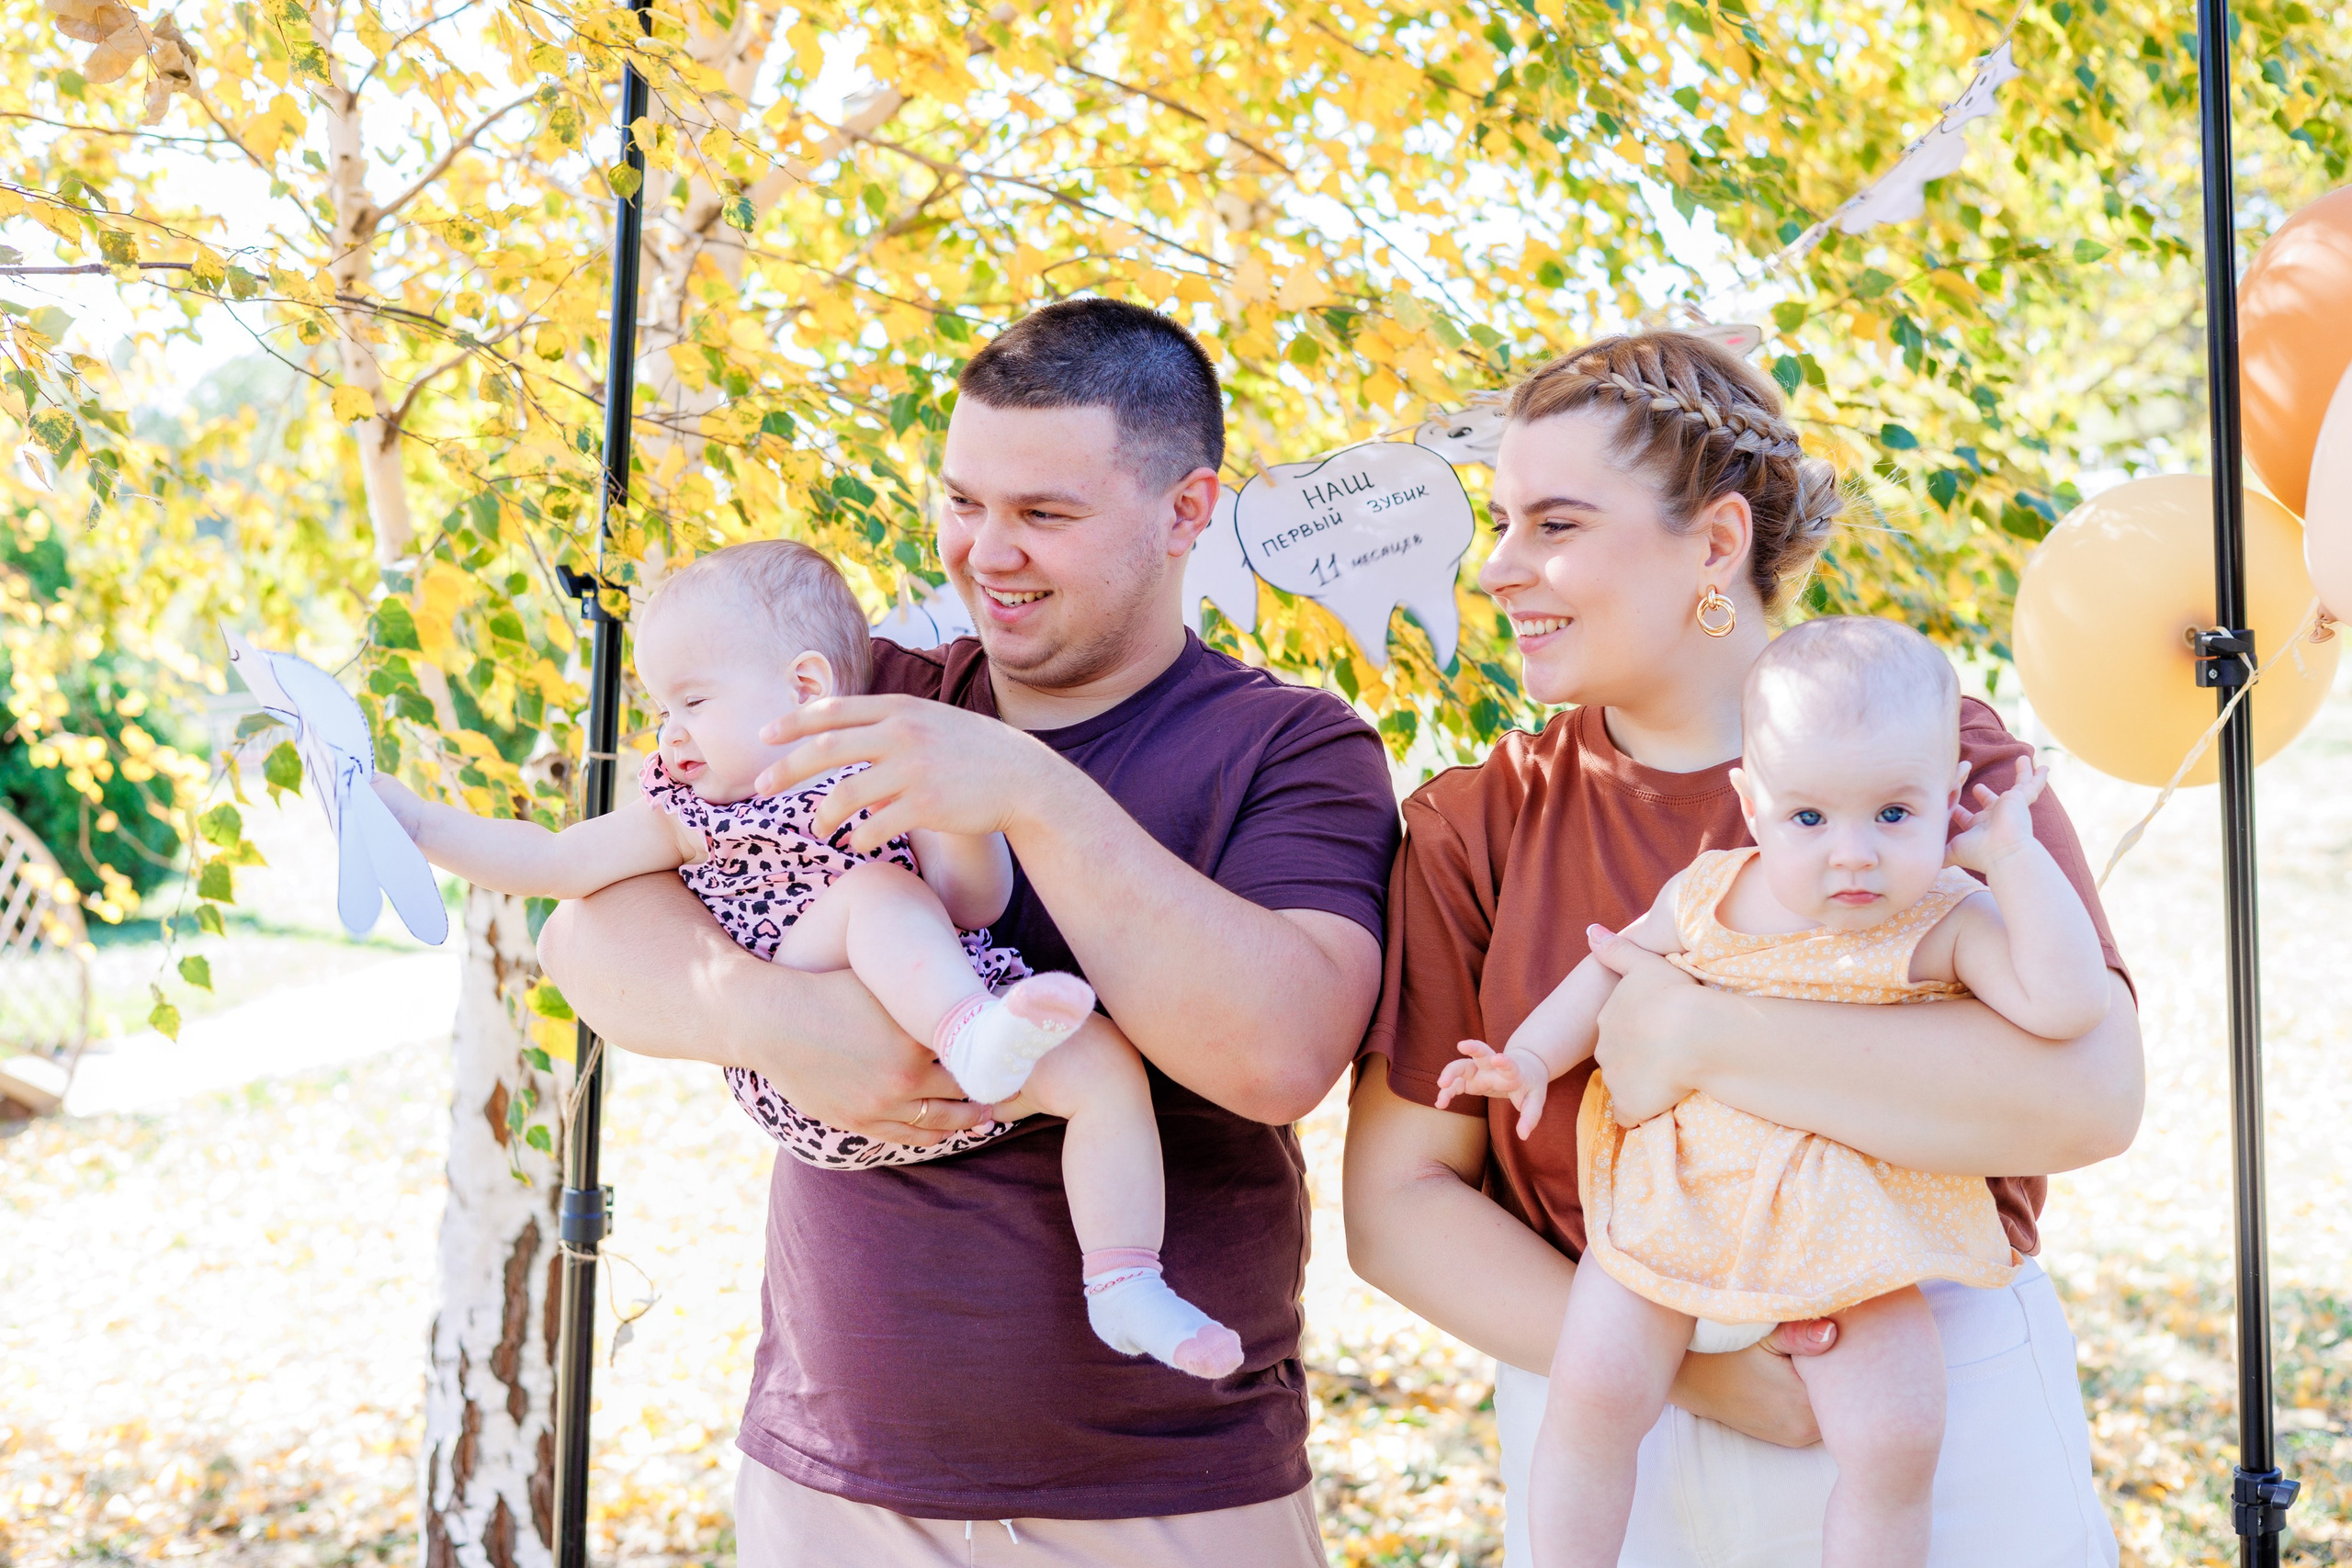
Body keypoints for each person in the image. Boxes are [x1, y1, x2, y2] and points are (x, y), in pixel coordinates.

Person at [536, 299, 1400, 1563]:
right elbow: (586, 937)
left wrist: (1032, 792)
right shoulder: (848, 683)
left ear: (1185, 512)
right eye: (962, 502)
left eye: (1044, 514)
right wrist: (787, 1022)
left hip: (1169, 1496)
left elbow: (1280, 1054)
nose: (986, 554)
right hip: (838, 1487)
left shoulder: (1292, 745)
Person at [1344, 329, 2140, 1567]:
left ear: (1715, 544)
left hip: (1933, 1414)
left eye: (1553, 523)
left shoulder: (1931, 764)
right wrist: (1691, 1373)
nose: (1499, 568)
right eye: (1500, 522)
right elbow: (1397, 1210)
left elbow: (2089, 1097)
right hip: (1609, 1429)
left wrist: (1705, 1032)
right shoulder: (1475, 822)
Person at [375, 539, 1242, 1378]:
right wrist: (416, 826)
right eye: (660, 708)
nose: (668, 733)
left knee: (1102, 1064)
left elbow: (973, 904)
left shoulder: (887, 766)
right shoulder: (693, 811)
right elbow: (552, 864)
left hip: (935, 1059)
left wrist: (954, 813)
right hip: (804, 1056)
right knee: (879, 893)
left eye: (692, 702)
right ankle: (975, 1033)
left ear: (803, 686)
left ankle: (1125, 1280)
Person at [1435, 616, 2116, 1568]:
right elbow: (1605, 973)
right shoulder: (1708, 893)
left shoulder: (1946, 920)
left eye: (1893, 815)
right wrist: (1534, 1060)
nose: (1852, 855)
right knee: (1593, 1400)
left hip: (1853, 1234)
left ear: (1949, 800)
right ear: (1750, 804)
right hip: (1675, 1204)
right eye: (1809, 819)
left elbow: (2064, 1005)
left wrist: (2012, 858)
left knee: (1895, 1438)